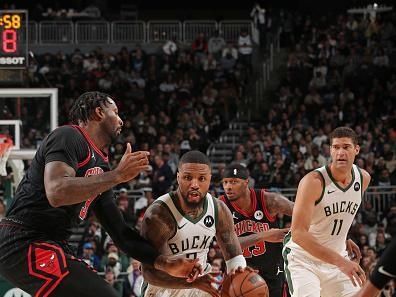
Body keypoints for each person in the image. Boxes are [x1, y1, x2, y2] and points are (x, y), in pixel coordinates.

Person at [0, 92, 200, 297]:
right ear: (98, 112)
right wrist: (117, 176)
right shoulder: (69, 136)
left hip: (53, 244)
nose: (121, 120)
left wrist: (164, 262)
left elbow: (120, 232)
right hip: (23, 239)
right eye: (115, 112)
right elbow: (57, 192)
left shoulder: (101, 166)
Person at [140, 150, 249, 297]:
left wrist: (242, 278)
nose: (195, 184)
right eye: (187, 177)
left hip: (201, 282)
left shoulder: (218, 209)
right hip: (164, 287)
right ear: (178, 177)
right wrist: (190, 282)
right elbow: (148, 272)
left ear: (210, 179)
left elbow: (234, 256)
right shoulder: (159, 214)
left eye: (202, 178)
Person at [283, 126, 369, 297]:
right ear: (330, 150)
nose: (340, 153)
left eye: (346, 147)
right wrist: (342, 262)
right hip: (304, 260)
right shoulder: (313, 182)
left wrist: (343, 238)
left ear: (356, 150)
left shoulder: (363, 179)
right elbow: (298, 233)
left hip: (336, 259)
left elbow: (339, 214)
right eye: (336, 147)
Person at [219, 163, 293, 297]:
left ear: (247, 182)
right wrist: (263, 235)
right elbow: (226, 246)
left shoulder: (270, 200)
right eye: (225, 182)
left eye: (234, 182)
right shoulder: (221, 206)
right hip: (240, 273)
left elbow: (303, 213)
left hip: (272, 272)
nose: (228, 187)